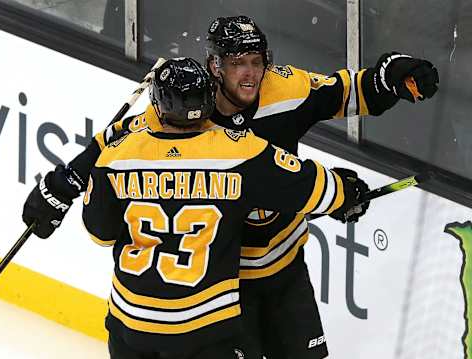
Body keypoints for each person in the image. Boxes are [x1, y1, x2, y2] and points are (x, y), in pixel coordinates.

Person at [22, 15, 439, 359]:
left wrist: (389, 76)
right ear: (214, 66)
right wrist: (65, 180)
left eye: (257, 61)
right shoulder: (188, 110)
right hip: (223, 284)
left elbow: (344, 92)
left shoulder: (283, 87)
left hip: (281, 269)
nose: (251, 73)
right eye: (238, 62)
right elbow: (122, 141)